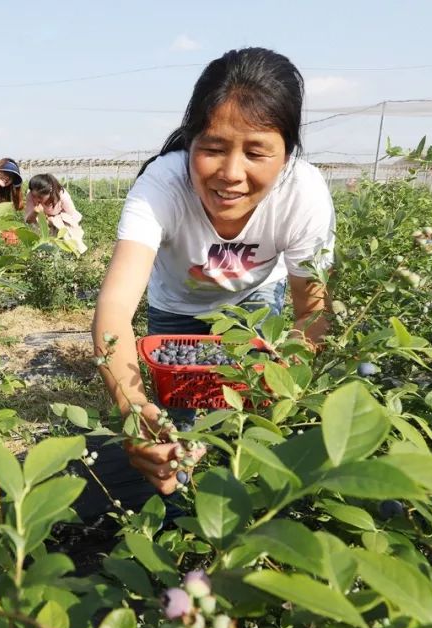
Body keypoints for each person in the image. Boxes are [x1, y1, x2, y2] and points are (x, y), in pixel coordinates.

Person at [91, 47, 335, 496]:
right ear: (191, 141)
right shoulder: (161, 186)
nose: (231, 174)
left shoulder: (304, 194)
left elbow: (311, 312)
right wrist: (132, 407)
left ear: (287, 153)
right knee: (172, 426)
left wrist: (286, 381)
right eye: (213, 148)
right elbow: (113, 308)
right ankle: (182, 512)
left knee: (249, 417)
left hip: (256, 303)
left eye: (257, 152)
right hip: (177, 309)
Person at [24, 173, 86, 253]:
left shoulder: (62, 196)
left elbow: (73, 217)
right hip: (42, 221)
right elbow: (28, 220)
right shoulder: (30, 196)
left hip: (62, 220)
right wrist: (35, 212)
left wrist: (53, 221)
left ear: (50, 192)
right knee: (41, 244)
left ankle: (70, 252)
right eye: (34, 196)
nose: (37, 199)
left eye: (40, 197)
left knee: (68, 237)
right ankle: (45, 255)